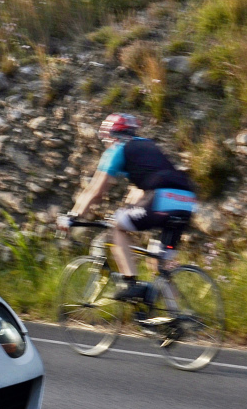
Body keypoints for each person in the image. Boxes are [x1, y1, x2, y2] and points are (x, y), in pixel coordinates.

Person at [58, 113, 198, 301]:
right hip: (186, 202)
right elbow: (139, 193)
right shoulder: (148, 146)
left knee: (117, 225)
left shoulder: (117, 149)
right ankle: (177, 317)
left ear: (111, 135)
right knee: (158, 263)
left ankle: (130, 283)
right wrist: (128, 209)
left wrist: (73, 216)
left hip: (161, 198)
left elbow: (95, 191)